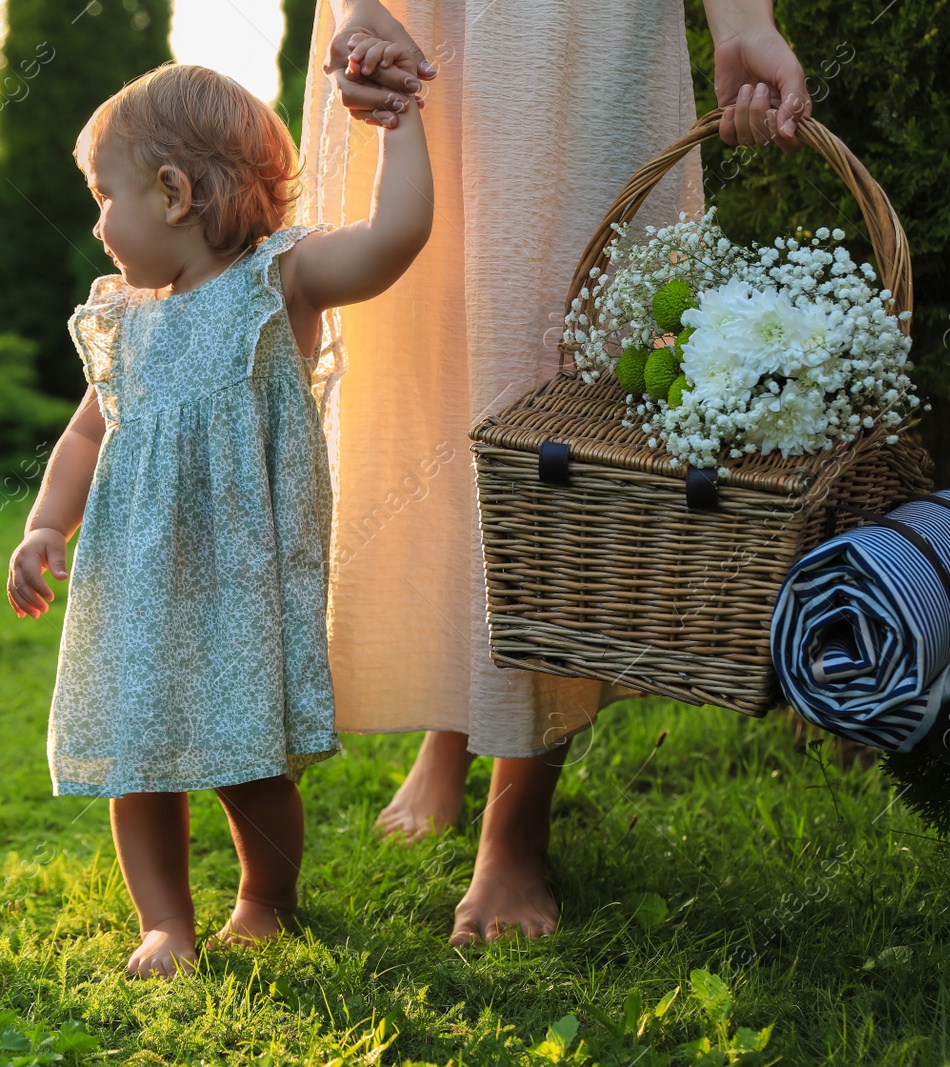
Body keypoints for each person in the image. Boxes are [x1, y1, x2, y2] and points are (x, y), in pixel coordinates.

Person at [295, 0, 810, 945]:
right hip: (424, 22)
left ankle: (516, 813)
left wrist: (743, 19)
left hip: (576, 28)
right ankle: (454, 723)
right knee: (424, 362)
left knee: (551, 375)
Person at [6, 62, 432, 978]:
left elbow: (397, 238)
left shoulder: (280, 280)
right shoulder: (127, 318)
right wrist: (46, 525)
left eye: (103, 197)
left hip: (240, 578)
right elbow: (86, 434)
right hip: (134, 580)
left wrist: (401, 127)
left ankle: (264, 897)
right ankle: (166, 923)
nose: (96, 222)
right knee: (137, 757)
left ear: (172, 193)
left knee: (248, 760)